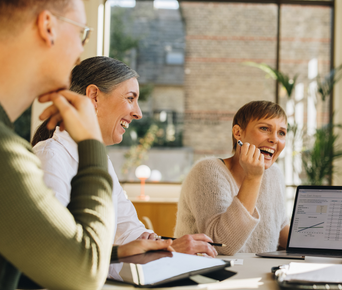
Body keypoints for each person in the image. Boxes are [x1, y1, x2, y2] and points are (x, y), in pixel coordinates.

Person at [0, 0, 172, 290]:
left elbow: (26, 266)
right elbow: (81, 273)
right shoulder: (13, 155)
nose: (81, 52)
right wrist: (90, 143)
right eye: (83, 34)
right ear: (47, 27)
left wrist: (120, 252)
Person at [31, 56, 217, 258]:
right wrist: (164, 251)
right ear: (94, 96)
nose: (138, 113)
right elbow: (60, 250)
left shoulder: (100, 161)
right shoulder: (49, 157)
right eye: (130, 98)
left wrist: (159, 244)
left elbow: (129, 231)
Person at [175, 100, 290, 255]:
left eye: (281, 133)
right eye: (264, 128)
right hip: (208, 275)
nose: (275, 139)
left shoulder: (274, 174)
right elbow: (222, 244)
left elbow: (280, 228)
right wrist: (253, 178)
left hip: (258, 276)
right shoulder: (207, 171)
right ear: (238, 133)